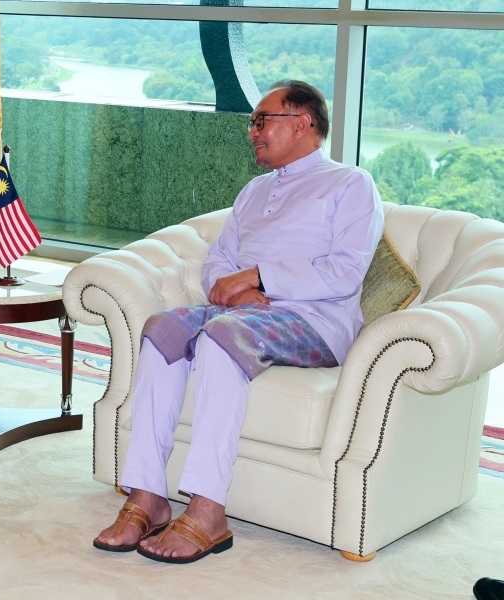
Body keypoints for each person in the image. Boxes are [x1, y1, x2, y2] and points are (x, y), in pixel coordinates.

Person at [93, 80, 384, 563]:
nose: (253, 132)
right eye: (253, 122)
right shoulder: (254, 190)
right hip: (244, 312)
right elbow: (218, 261)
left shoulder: (350, 184)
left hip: (316, 322)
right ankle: (147, 494)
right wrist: (237, 288)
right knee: (163, 328)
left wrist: (259, 278)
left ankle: (208, 511)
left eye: (262, 120)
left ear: (303, 123)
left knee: (221, 336)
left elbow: (345, 272)